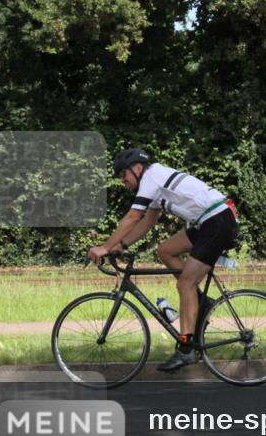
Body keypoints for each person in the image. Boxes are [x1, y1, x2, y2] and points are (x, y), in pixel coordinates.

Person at [87, 148, 239, 372]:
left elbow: (132, 217)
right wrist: (120, 246)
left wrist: (105, 247)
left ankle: (187, 349)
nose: (123, 181)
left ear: (137, 168)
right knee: (165, 250)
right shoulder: (155, 183)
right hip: (208, 221)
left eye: (123, 175)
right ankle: (199, 301)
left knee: (185, 283)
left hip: (217, 221)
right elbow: (146, 223)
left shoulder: (151, 178)